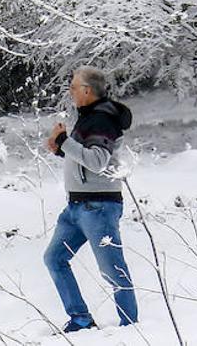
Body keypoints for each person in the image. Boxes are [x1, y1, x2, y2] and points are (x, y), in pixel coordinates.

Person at [43, 66, 139, 333]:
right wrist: (61, 149)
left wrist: (64, 141)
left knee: (112, 269)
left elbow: (97, 161)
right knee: (54, 258)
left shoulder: (102, 120)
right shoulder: (89, 118)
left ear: (87, 90)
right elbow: (84, 156)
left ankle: (131, 328)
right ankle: (80, 320)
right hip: (76, 206)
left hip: (98, 206)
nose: (71, 92)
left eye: (74, 87)